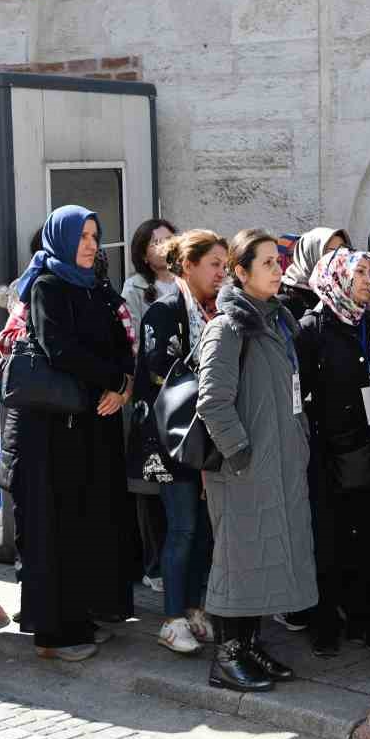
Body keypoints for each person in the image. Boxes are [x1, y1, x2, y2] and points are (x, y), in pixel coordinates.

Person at [0, 206, 135, 661]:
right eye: (82, 236)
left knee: (86, 523)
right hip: (51, 432)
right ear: (61, 239)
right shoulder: (47, 287)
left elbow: (121, 344)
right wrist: (111, 381)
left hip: (93, 423)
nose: (91, 244)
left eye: (95, 235)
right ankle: (55, 633)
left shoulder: (96, 286)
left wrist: (122, 385)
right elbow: (60, 348)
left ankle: (83, 617)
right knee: (53, 528)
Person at [197, 229, 318, 692]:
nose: (277, 269)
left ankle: (247, 646)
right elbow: (212, 401)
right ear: (240, 272)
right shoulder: (227, 327)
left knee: (264, 557)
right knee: (237, 557)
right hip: (242, 468)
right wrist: (240, 453)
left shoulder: (278, 320)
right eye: (266, 263)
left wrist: (297, 441)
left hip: (279, 461)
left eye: (277, 261)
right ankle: (226, 657)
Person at [134, 229, 227, 655]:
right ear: (188, 266)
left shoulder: (215, 312)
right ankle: (171, 618)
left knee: (204, 529)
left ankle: (194, 607)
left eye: (225, 266)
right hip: (174, 436)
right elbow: (160, 372)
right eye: (214, 265)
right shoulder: (163, 311)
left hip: (207, 435)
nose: (221, 274)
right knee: (182, 526)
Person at [295, 247, 370, 657]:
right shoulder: (312, 328)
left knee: (363, 534)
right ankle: (323, 622)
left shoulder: (369, 322)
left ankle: (361, 616)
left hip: (364, 447)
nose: (368, 279)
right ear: (338, 276)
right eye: (361, 272)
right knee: (326, 538)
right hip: (325, 450)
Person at [122, 218, 176, 596]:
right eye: (155, 242)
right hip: (150, 397)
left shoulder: (189, 281)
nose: (163, 246)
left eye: (168, 239)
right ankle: (154, 563)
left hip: (185, 397)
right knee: (152, 484)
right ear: (143, 252)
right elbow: (135, 345)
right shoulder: (136, 289)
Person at [276, 226, 350, 318]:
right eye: (333, 252)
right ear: (310, 254)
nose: (340, 259)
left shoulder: (341, 301)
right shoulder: (283, 303)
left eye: (344, 252)